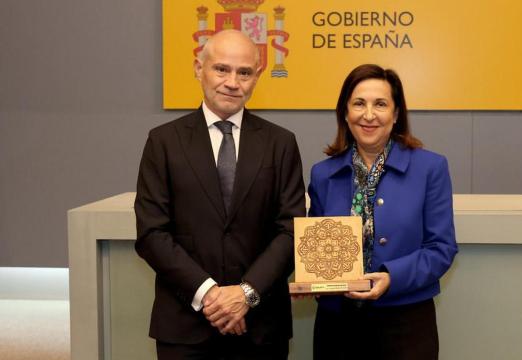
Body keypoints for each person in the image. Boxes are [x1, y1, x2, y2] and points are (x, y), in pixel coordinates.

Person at [134, 29, 305, 359]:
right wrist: (210, 294)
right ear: (199, 68)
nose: (232, 81)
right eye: (221, 69)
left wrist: (246, 294)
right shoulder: (163, 142)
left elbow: (291, 230)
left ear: (257, 77)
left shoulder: (280, 143)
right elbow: (152, 232)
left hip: (261, 326)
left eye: (244, 72)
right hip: (185, 325)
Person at [307, 64, 458, 360]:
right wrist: (312, 276)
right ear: (345, 112)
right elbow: (316, 247)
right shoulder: (323, 174)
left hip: (407, 323)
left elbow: (442, 248)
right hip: (337, 325)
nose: (369, 115)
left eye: (380, 104)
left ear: (396, 114)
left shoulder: (430, 168)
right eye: (359, 103)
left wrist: (392, 277)